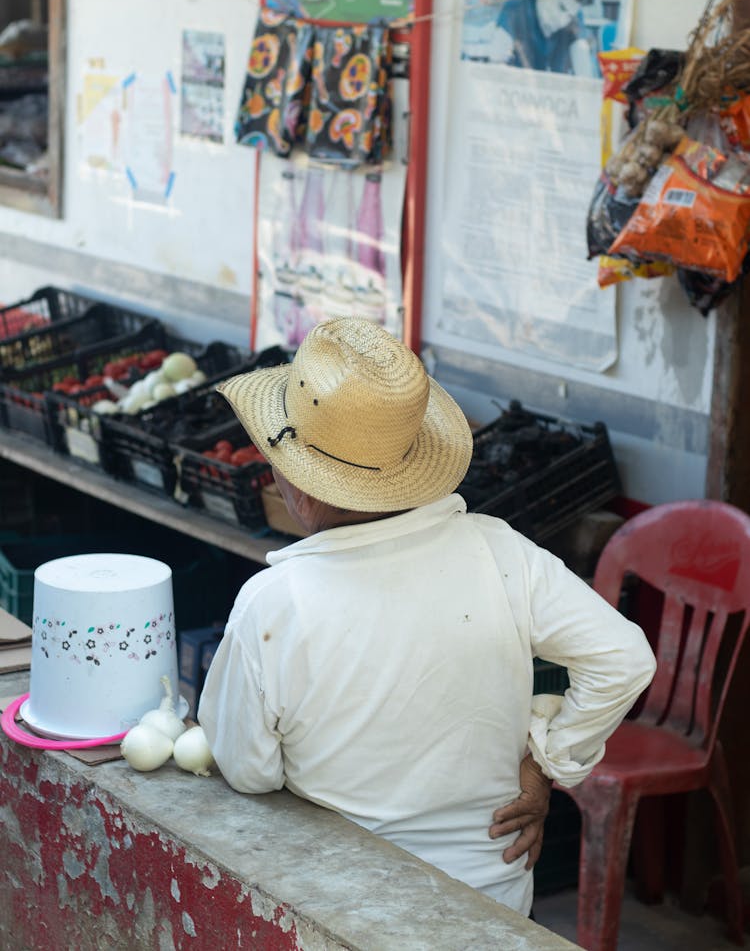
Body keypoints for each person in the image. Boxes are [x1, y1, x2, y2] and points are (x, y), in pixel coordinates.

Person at [198, 317, 656, 916]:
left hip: (345, 912)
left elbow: (248, 770)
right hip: (491, 906)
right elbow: (624, 658)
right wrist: (544, 762)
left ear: (301, 486)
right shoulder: (499, 551)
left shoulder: (274, 601)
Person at [488, 0, 598, 75]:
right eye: (561, 8)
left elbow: (583, 70)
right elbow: (495, 63)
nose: (562, 21)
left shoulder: (573, 16)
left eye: (569, 16)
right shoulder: (518, 5)